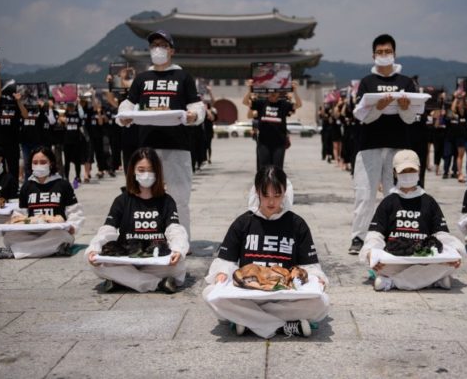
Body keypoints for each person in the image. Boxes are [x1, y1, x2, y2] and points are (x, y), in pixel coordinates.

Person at [203, 166, 329, 338]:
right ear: (257, 192)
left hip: (284, 295)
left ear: (285, 192)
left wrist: (318, 279)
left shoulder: (297, 224)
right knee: (210, 294)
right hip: (249, 293)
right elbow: (226, 261)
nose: (271, 202)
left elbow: (310, 266)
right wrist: (221, 274)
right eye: (266, 196)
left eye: (277, 196)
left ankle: (248, 321)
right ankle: (283, 326)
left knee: (321, 303)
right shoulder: (243, 223)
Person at [117, 30, 205, 240]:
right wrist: (124, 116)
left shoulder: (182, 77)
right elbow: (128, 105)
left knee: (180, 196)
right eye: (154, 45)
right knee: (145, 193)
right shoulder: (142, 78)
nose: (158, 49)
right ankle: (147, 235)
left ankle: (181, 239)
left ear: (171, 50)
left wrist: (195, 115)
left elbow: (196, 105)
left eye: (163, 45)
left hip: (177, 145)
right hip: (147, 147)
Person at [85, 148, 189, 293]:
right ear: (133, 171)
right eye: (141, 169)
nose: (146, 174)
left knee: (178, 265)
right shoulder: (122, 200)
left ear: (157, 172)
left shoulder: (167, 201)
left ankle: (123, 280)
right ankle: (158, 283)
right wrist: (94, 248)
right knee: (96, 264)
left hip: (155, 259)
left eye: (151, 170)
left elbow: (175, 229)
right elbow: (108, 230)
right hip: (126, 258)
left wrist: (178, 249)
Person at [349, 34, 417, 254]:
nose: (384, 55)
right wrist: (378, 106)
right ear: (373, 55)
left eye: (388, 52)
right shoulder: (367, 82)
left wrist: (406, 107)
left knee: (395, 193)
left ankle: (394, 234)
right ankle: (359, 237)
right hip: (370, 144)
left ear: (394, 54)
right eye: (380, 52)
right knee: (365, 194)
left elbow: (411, 119)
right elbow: (363, 117)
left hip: (398, 146)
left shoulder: (406, 82)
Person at [359, 150, 465, 291]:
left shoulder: (429, 201)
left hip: (423, 259)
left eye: (411, 170)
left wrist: (455, 251)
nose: (408, 175)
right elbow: (375, 234)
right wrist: (370, 253)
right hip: (395, 259)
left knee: (449, 264)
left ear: (419, 171)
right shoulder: (388, 202)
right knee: (381, 265)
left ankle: (391, 282)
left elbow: (442, 234)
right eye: (403, 171)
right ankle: (432, 280)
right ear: (395, 173)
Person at [0, 146, 84, 259]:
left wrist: (73, 226)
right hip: (32, 232)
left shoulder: (63, 184)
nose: (39, 165)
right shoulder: (27, 186)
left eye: (43, 162)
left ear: (51, 163)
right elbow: (20, 213)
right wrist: (16, 223)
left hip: (56, 232)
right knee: (9, 237)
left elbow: (75, 211)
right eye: (35, 162)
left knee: (61, 237)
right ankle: (49, 249)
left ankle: (14, 252)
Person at [242, 80, 302, 170]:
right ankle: (264, 184)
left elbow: (299, 105)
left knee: (277, 169)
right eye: (271, 91)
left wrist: (295, 91)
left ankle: (276, 184)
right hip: (263, 143)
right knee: (264, 168)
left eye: (276, 91)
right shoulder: (261, 103)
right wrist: (250, 90)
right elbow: (245, 102)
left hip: (279, 143)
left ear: (279, 93)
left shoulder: (283, 104)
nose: (273, 93)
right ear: (267, 92)